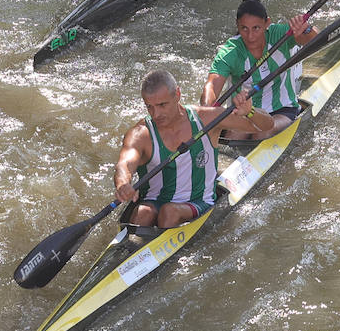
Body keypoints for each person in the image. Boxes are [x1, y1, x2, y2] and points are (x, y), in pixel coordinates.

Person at [114, 69, 271, 229]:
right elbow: (124, 164)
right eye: (150, 107)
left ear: (177, 94)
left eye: (162, 105)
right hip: (154, 202)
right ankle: (128, 250)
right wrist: (123, 184)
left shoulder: (207, 118)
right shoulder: (141, 133)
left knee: (169, 213)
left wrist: (250, 112)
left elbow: (266, 125)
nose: (156, 114)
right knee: (142, 214)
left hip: (198, 202)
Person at [201, 0, 319, 140]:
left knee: (262, 133)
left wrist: (306, 29)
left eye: (256, 28)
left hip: (281, 110)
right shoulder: (230, 52)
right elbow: (211, 85)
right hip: (245, 112)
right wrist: (206, 110)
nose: (250, 36)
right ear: (237, 26)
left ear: (267, 23)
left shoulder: (280, 35)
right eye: (244, 29)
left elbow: (315, 40)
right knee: (233, 136)